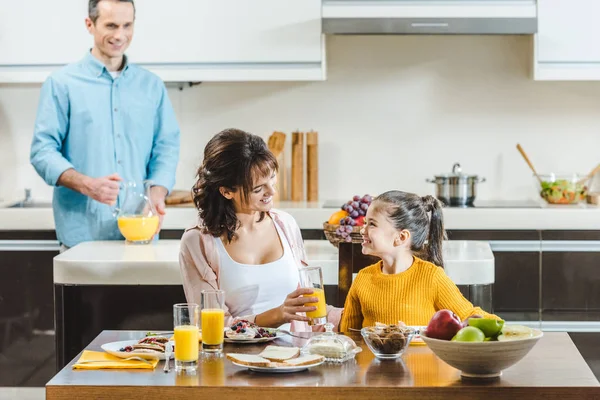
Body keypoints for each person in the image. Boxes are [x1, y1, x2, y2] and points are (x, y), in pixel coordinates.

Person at [30, 0, 180, 250]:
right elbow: (42, 151)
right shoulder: (62, 84)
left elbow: (167, 146)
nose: (120, 35)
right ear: (90, 24)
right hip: (82, 236)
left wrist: (157, 193)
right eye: (111, 25)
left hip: (141, 233)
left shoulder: (151, 86)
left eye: (127, 25)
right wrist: (87, 184)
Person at [179, 128, 342, 331]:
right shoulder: (198, 241)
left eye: (272, 179)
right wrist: (276, 316)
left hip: (293, 358)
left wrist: (347, 316)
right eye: (258, 189)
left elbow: (308, 308)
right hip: (235, 359)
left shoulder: (285, 224)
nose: (272, 192)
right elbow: (210, 325)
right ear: (227, 191)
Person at [340, 190, 499, 331]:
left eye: (372, 224)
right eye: (365, 222)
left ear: (401, 237)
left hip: (422, 364)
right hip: (373, 364)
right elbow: (348, 335)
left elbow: (469, 314)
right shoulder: (362, 279)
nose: (362, 229)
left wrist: (503, 328)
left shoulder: (431, 277)